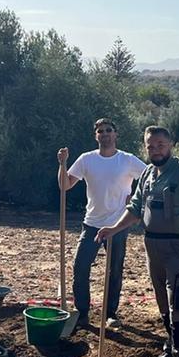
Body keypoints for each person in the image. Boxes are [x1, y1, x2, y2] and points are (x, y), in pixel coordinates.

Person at [97, 126, 179, 357]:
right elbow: (135, 207)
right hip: (154, 245)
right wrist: (114, 228)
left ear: (170, 145)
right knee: (163, 302)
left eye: (160, 145)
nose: (155, 150)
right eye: (150, 146)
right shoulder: (149, 174)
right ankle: (171, 348)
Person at [57, 118, 147, 330]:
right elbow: (65, 185)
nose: (104, 134)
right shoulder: (86, 159)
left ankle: (110, 314)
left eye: (108, 130)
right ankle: (82, 312)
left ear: (116, 134)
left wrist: (134, 198)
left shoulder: (127, 160)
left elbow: (150, 178)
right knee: (80, 267)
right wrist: (62, 164)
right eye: (100, 131)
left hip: (117, 225)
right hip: (92, 224)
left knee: (114, 270)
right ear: (95, 136)